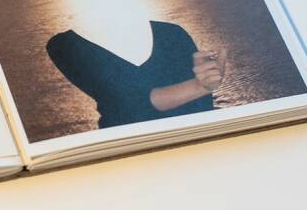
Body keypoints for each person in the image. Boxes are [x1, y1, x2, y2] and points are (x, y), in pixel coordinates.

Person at [46, 20, 227, 129]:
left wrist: (205, 81)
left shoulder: (170, 33)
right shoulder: (65, 45)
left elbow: (201, 107)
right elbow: (129, 104)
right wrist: (199, 86)